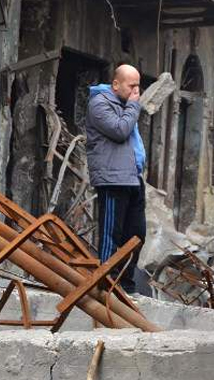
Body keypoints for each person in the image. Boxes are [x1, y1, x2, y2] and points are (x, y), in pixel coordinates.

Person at [85, 63, 146, 293]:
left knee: (137, 234)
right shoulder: (99, 103)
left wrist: (130, 106)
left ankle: (126, 285)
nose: (135, 92)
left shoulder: (126, 104)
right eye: (131, 86)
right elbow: (119, 131)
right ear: (116, 84)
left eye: (138, 86)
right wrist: (132, 106)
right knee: (112, 235)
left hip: (133, 178)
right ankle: (106, 283)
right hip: (113, 179)